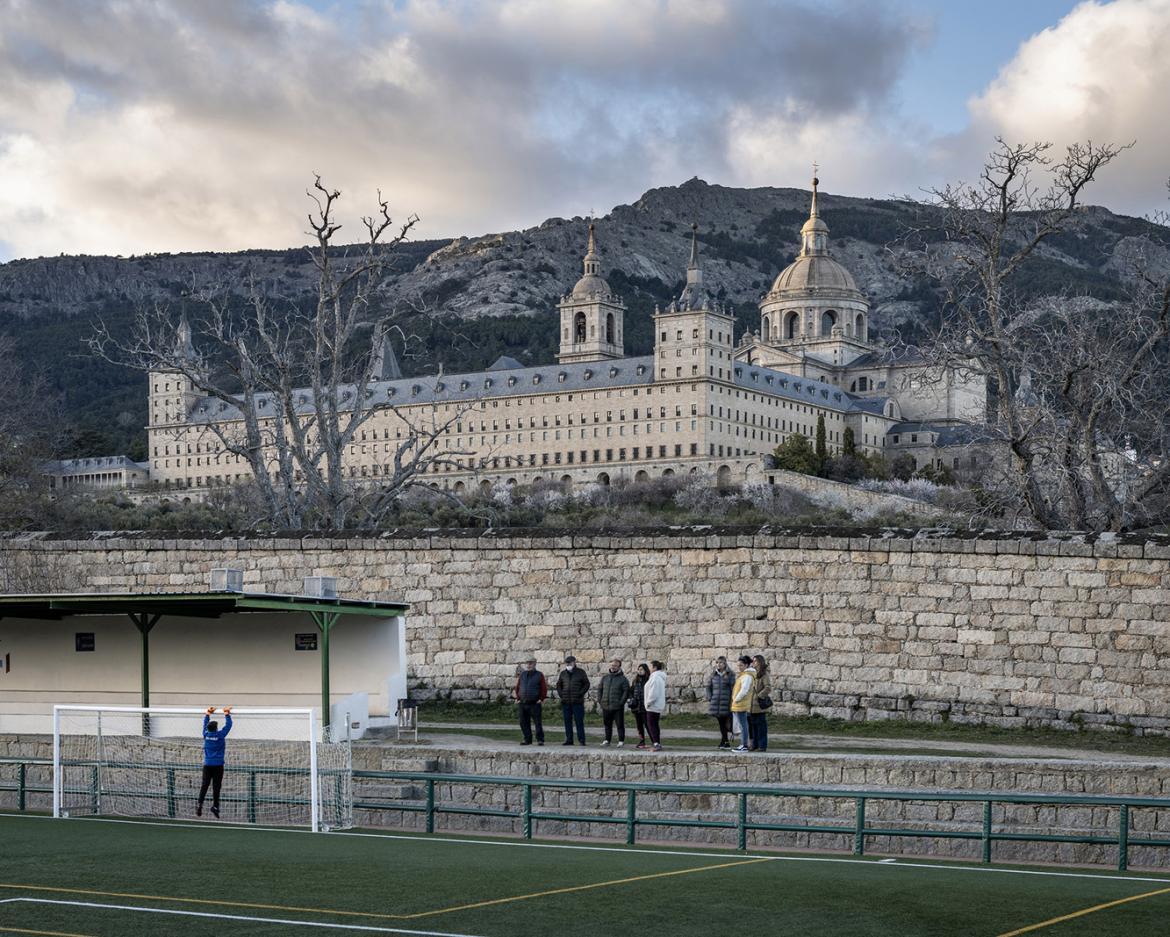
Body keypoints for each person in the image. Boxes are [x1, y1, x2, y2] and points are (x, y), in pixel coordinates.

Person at [197, 705, 233, 818]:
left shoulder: (206, 735)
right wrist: (226, 713)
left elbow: (204, 725)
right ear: (216, 729)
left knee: (204, 785)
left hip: (207, 765)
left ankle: (200, 804)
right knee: (216, 787)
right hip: (218, 766)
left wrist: (207, 713)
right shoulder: (220, 736)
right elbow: (228, 726)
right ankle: (215, 806)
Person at [555, 655, 590, 746]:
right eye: (567, 663)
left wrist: (580, 693)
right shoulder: (563, 673)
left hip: (577, 702)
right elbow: (559, 685)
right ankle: (569, 739)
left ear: (574, 662)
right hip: (566, 702)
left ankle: (581, 740)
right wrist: (561, 694)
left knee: (579, 721)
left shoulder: (580, 672)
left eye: (570, 662)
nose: (569, 664)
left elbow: (586, 684)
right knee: (567, 721)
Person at [513, 656, 547, 746]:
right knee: (523, 722)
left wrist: (542, 698)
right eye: (527, 663)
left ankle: (540, 739)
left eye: (531, 663)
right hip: (522, 703)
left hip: (535, 703)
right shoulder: (522, 675)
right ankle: (527, 739)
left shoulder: (539, 675)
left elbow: (543, 687)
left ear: (535, 664)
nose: (529, 665)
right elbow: (518, 687)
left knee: (537, 723)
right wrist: (517, 698)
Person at [598, 659, 631, 747]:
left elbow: (626, 691)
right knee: (607, 724)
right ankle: (607, 740)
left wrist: (621, 702)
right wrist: (600, 700)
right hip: (606, 705)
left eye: (615, 665)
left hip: (617, 706)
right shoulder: (605, 678)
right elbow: (600, 689)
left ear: (619, 667)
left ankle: (621, 741)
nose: (613, 667)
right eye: (612, 665)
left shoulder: (623, 679)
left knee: (619, 725)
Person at [706, 656, 735, 749]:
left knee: (725, 722)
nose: (719, 664)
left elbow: (733, 688)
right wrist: (710, 697)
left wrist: (732, 701)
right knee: (721, 723)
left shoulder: (730, 674)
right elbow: (708, 687)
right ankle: (724, 741)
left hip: (726, 703)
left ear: (725, 663)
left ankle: (725, 741)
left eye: (721, 663)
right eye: (717, 663)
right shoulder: (713, 674)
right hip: (716, 702)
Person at [730, 656, 756, 753]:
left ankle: (744, 745)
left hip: (741, 704)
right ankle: (743, 744)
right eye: (738, 665)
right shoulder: (744, 674)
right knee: (742, 725)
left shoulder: (747, 676)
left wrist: (736, 699)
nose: (739, 667)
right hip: (739, 703)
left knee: (743, 726)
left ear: (746, 665)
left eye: (741, 665)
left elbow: (744, 690)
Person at [644, 660, 667, 752]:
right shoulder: (657, 677)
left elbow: (653, 693)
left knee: (651, 725)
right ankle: (656, 743)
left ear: (654, 668)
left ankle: (656, 744)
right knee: (654, 725)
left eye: (650, 667)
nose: (649, 669)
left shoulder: (655, 678)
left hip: (653, 705)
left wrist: (648, 703)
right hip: (656, 705)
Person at [750, 654, 770, 753]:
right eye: (753, 661)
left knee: (761, 726)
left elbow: (768, 687)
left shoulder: (764, 675)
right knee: (754, 726)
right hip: (751, 705)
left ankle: (762, 746)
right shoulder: (752, 674)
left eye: (755, 661)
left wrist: (759, 696)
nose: (753, 663)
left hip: (759, 704)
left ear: (760, 662)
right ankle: (755, 745)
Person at [629, 663, 650, 749]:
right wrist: (631, 699)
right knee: (639, 725)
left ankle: (654, 741)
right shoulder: (635, 681)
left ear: (645, 670)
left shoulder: (649, 680)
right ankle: (642, 741)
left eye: (641, 669)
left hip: (645, 707)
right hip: (636, 707)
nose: (640, 671)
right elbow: (630, 691)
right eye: (639, 669)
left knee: (648, 725)